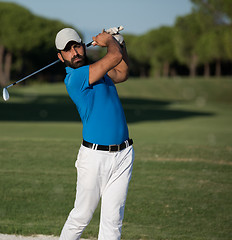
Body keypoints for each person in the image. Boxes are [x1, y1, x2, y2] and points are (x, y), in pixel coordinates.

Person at [55, 27, 135, 240]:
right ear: (60, 57)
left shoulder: (97, 70)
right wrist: (110, 41)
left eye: (77, 46)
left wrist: (121, 42)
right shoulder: (76, 78)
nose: (75, 52)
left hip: (124, 154)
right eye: (68, 50)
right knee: (81, 216)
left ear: (83, 46)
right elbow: (114, 56)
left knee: (113, 221)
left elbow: (122, 72)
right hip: (94, 158)